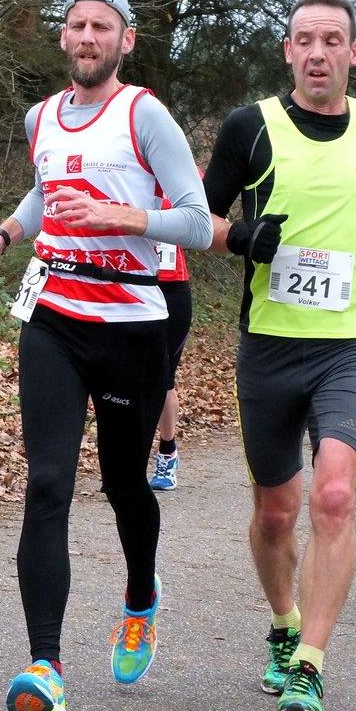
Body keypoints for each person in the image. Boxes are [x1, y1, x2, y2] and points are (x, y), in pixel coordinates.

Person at [0, 0, 211, 711]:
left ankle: (140, 596)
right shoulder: (40, 117)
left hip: (133, 325)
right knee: (47, 482)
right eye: (77, 24)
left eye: (103, 26)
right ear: (63, 35)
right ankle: (47, 665)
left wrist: (120, 215)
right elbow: (45, 191)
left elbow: (197, 223)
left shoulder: (144, 115)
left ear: (125, 40)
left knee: (123, 483)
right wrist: (4, 235)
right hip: (54, 319)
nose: (88, 36)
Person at [203, 0, 356, 711]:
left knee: (334, 494)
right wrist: (242, 238)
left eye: (332, 40)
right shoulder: (250, 128)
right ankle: (284, 624)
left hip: (351, 345)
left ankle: (311, 667)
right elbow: (201, 220)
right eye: (305, 40)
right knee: (275, 512)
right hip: (269, 345)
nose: (318, 53)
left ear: (355, 52)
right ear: (288, 51)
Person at [151, 193, 196, 491]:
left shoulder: (186, 176)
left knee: (163, 378)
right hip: (129, 284)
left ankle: (167, 452)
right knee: (124, 378)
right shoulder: (125, 174)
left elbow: (205, 225)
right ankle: (124, 461)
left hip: (172, 289)